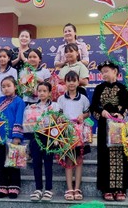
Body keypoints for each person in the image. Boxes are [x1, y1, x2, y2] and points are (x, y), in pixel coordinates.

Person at [89, 60, 128, 201]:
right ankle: (106, 189)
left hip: (118, 127)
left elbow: (126, 106)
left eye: (106, 71)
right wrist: (101, 112)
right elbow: (93, 107)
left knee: (119, 155)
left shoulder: (123, 88)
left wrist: (121, 114)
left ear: (115, 71)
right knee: (104, 155)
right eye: (102, 72)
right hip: (104, 126)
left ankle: (120, 188)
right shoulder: (99, 88)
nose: (103, 74)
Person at [57, 71, 90, 201]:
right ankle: (69, 188)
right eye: (69, 80)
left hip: (79, 133)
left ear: (78, 82)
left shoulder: (83, 98)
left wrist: (83, 116)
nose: (71, 83)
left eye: (74, 80)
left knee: (79, 160)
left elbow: (87, 113)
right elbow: (58, 114)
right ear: (65, 82)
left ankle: (77, 188)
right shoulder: (60, 99)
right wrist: (60, 119)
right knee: (69, 160)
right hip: (66, 133)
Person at [24, 82, 58, 201]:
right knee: (36, 163)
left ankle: (48, 189)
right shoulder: (31, 107)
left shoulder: (55, 106)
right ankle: (38, 189)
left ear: (49, 93)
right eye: (40, 91)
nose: (42, 93)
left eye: (44, 91)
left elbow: (58, 122)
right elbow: (27, 123)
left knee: (48, 163)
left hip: (48, 137)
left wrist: (53, 116)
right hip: (35, 137)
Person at [0, 76, 26, 199]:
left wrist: (17, 136)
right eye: (3, 86)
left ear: (15, 87)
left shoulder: (19, 101)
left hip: (13, 136)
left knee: (13, 163)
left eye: (8, 86)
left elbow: (19, 118)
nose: (6, 89)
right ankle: (2, 186)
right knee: (1, 163)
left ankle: (14, 186)